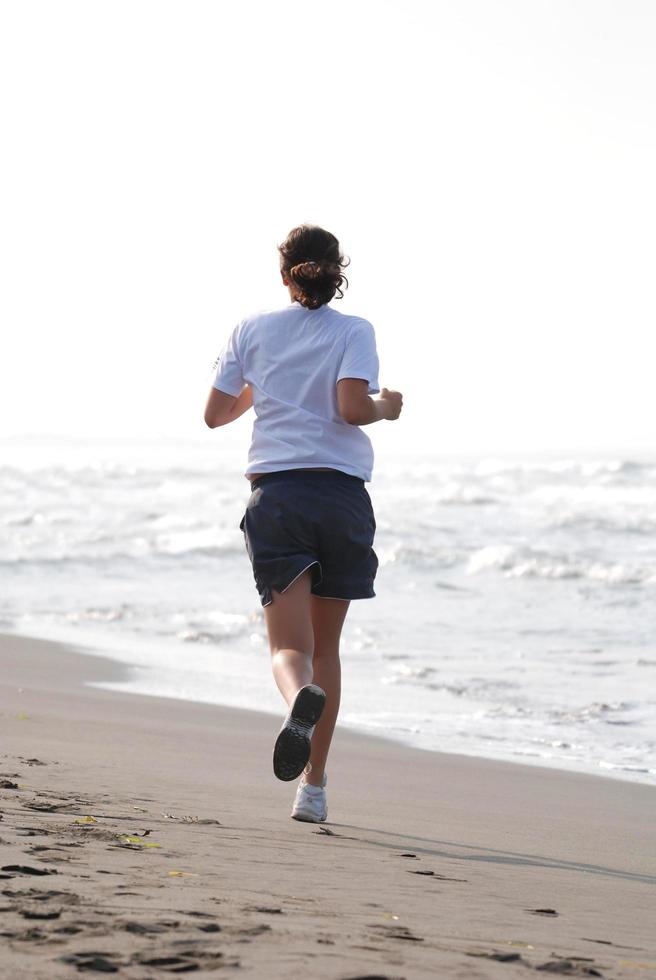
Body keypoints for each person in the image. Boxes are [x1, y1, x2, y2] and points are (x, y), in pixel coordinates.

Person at [204, 224, 403, 823]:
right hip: (340, 498)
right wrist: (384, 409)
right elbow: (350, 407)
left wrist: (261, 390)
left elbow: (216, 415)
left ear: (284, 273)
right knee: (327, 650)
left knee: (290, 647)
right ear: (335, 270)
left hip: (279, 496)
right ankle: (312, 790)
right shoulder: (355, 330)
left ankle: (298, 703)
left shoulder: (250, 329)